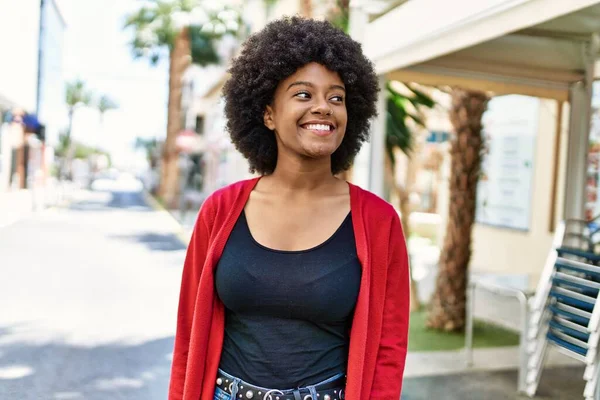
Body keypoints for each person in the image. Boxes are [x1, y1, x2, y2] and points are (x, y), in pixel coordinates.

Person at [169, 16, 410, 400]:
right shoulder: (220, 211)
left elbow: (387, 350)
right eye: (303, 95)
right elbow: (188, 334)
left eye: (336, 97)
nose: (323, 108)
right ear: (267, 114)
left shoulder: (379, 222)